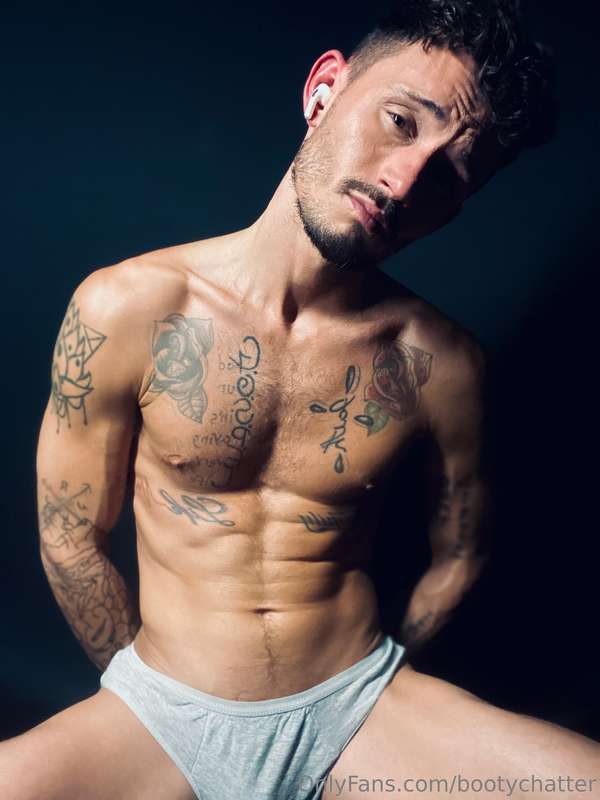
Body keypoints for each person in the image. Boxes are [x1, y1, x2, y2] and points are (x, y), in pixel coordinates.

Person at [2, 1, 598, 798]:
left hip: (356, 702)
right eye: (399, 121)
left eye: (449, 175)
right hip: (161, 705)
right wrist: (163, 706)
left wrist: (377, 686)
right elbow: (70, 536)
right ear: (324, 89)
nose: (402, 181)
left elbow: (461, 554)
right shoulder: (128, 306)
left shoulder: (442, 364)